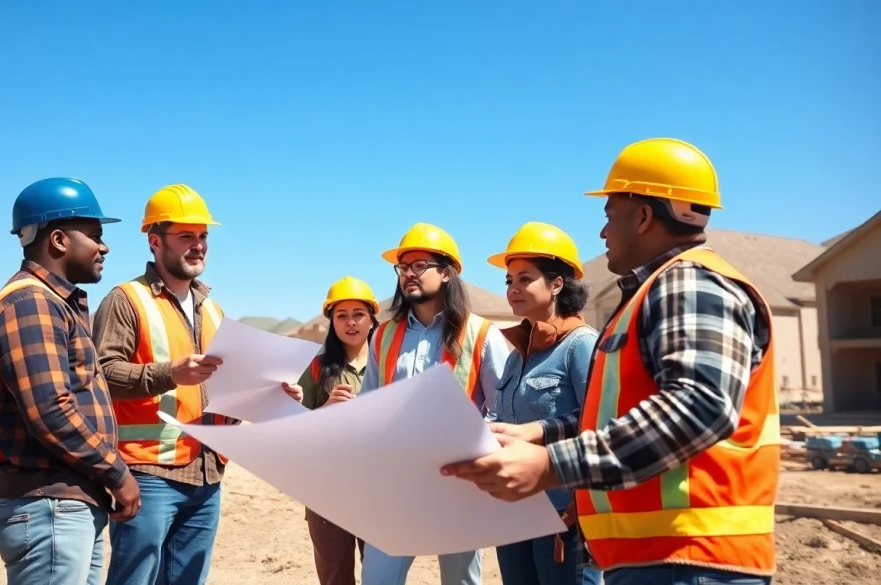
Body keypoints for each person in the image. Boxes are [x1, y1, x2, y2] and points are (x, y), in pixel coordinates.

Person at [442, 138, 780, 585]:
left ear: (643, 216)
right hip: (658, 556)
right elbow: (611, 417)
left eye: (609, 215)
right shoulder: (654, 294)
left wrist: (552, 464)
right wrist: (537, 433)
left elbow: (700, 406)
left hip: (691, 556)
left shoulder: (689, 284)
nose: (602, 233)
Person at [91, 183, 303, 585]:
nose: (199, 245)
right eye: (186, 235)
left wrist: (269, 395)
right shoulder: (126, 300)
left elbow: (223, 388)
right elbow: (101, 375)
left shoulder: (213, 310)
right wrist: (170, 373)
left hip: (207, 474)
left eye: (203, 235)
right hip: (148, 473)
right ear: (155, 241)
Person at [0, 177, 138, 585]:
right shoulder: (31, 304)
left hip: (63, 503)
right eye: (95, 236)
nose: (104, 247)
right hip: (48, 506)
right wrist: (117, 473)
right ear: (59, 240)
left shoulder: (52, 303)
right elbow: (50, 410)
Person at [329, 222, 511, 585]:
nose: (408, 274)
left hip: (459, 484)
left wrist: (475, 450)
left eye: (419, 266)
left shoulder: (481, 333)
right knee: (378, 578)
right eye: (403, 267)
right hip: (397, 483)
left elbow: (503, 409)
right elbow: (372, 403)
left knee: (459, 580)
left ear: (446, 273)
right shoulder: (383, 334)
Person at [484, 222, 602, 585]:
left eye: (525, 278)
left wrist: (538, 431)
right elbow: (501, 416)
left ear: (556, 284)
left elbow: (598, 419)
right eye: (509, 281)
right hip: (513, 507)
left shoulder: (581, 345)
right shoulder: (518, 354)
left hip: (564, 511)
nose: (513, 288)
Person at [296, 276, 380, 585]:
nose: (350, 322)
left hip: (380, 487)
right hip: (327, 490)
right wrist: (325, 411)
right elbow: (292, 429)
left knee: (381, 575)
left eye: (358, 314)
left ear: (372, 319)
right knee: (335, 577)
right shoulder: (315, 368)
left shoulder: (391, 364)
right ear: (332, 322)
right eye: (341, 315)